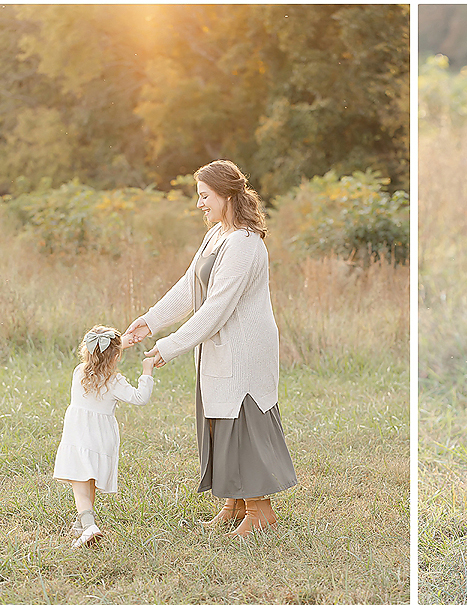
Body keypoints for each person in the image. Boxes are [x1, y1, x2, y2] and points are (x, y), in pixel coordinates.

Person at [123, 159, 295, 538]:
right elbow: (189, 287)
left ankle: (260, 510)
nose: (199, 204)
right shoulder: (216, 234)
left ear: (225, 195)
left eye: (204, 195)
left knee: (243, 418)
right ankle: (234, 504)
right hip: (219, 345)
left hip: (245, 348)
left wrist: (168, 346)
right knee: (219, 418)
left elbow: (216, 307)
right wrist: (150, 321)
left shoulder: (245, 243)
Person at [52, 326, 156, 548]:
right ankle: (82, 526)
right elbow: (140, 398)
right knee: (89, 484)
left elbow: (103, 355)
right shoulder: (115, 381)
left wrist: (120, 344)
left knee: (80, 488)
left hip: (79, 436)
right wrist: (147, 371)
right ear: (116, 355)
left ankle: (89, 527)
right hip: (102, 439)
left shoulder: (79, 372)